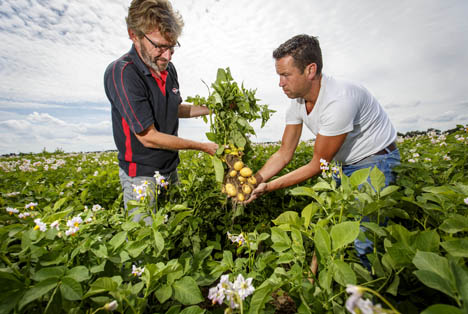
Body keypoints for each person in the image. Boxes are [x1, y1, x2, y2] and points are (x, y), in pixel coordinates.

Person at [246, 34, 400, 269]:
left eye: (285, 75)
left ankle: (370, 300)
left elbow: (317, 163)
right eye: (279, 76)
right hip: (341, 163)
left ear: (310, 70)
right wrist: (252, 180)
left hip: (375, 161)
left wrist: (268, 187)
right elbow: (284, 153)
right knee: (329, 224)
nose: (280, 83)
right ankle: (316, 283)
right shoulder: (297, 102)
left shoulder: (338, 100)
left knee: (366, 242)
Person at [104, 0, 218, 214]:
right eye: (159, 46)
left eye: (172, 47)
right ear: (134, 35)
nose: (167, 56)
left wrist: (213, 108)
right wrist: (202, 146)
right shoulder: (123, 73)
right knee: (146, 241)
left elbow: (173, 108)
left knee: (175, 232)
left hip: (170, 168)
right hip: (141, 176)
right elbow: (148, 136)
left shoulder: (168, 69)